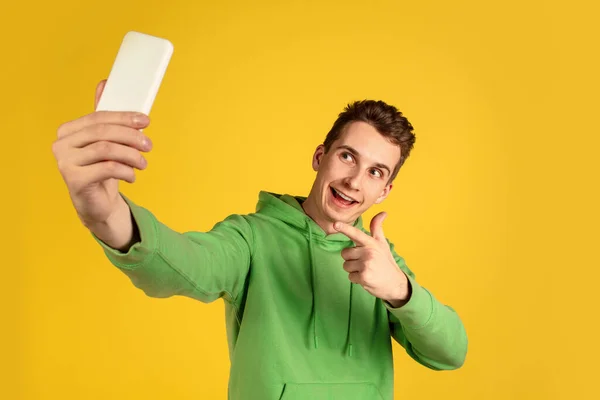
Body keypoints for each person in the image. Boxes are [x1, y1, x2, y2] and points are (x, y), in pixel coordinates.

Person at [52, 79, 468, 400]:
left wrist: (400, 291)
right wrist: (105, 212)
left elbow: (451, 352)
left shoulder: (381, 260)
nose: (355, 181)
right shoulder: (252, 238)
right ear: (320, 157)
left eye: (376, 172)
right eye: (347, 157)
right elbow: (181, 263)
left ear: (385, 191)